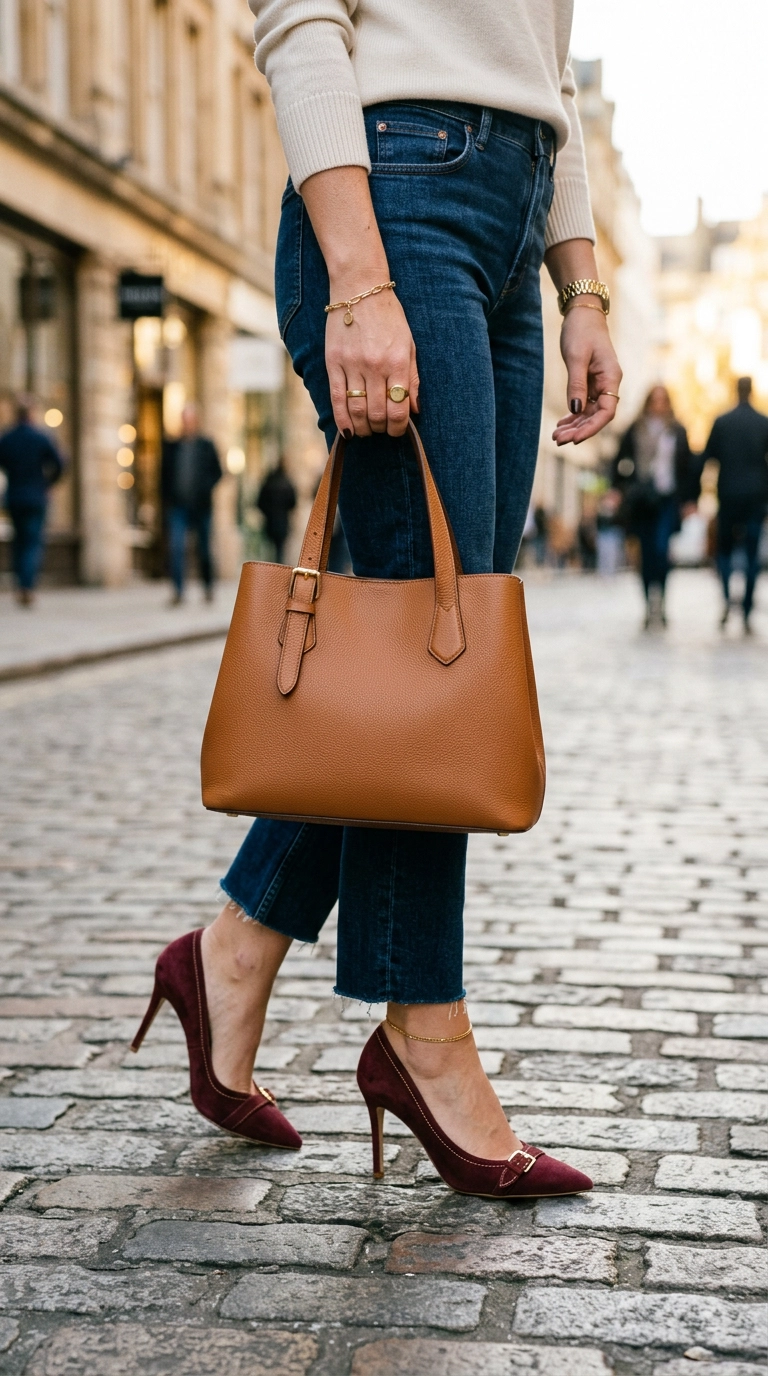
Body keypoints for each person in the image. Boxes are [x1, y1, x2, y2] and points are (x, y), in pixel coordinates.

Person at [133, 0, 622, 1200]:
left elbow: (547, 64)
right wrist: (356, 278)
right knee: (432, 669)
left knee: (445, 659)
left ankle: (232, 952)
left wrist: (582, 284)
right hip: (394, 194)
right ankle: (423, 1029)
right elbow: (301, 16)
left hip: (513, 221)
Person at [613, 386, 693, 627]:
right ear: (647, 402)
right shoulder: (635, 428)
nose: (658, 405)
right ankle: (649, 603)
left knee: (661, 550)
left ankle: (662, 601)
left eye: (663, 400)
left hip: (668, 499)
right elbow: (618, 461)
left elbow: (687, 467)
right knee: (646, 553)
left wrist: (689, 500)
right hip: (641, 501)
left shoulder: (677, 430)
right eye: (654, 400)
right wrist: (619, 489)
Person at [704, 377, 768, 633]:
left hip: (729, 495)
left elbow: (708, 457)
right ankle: (747, 609)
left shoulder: (723, 422)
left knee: (725, 553)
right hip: (755, 496)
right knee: (752, 555)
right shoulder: (762, 422)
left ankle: (727, 600)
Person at [0, 397, 63, 606]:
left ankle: (20, 585)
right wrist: (48, 483)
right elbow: (60, 463)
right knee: (32, 542)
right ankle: (27, 586)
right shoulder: (41, 437)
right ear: (31, 414)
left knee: (19, 542)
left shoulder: (7, 438)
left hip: (15, 497)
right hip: (36, 497)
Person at [161, 403, 222, 604]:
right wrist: (166, 500)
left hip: (202, 506)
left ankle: (208, 587)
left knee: (204, 549)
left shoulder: (206, 445)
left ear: (196, 421)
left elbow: (218, 473)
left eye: (190, 419)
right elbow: (163, 476)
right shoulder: (172, 446)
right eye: (184, 419)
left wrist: (205, 487)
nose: (187, 423)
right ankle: (178, 591)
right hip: (178, 506)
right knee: (177, 548)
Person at [256, 458, 297, 564]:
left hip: (270, 520)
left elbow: (260, 502)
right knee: (280, 549)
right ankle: (278, 567)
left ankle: (270, 567)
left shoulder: (269, 482)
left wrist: (268, 512)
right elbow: (293, 503)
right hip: (282, 520)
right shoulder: (287, 483)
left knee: (269, 547)